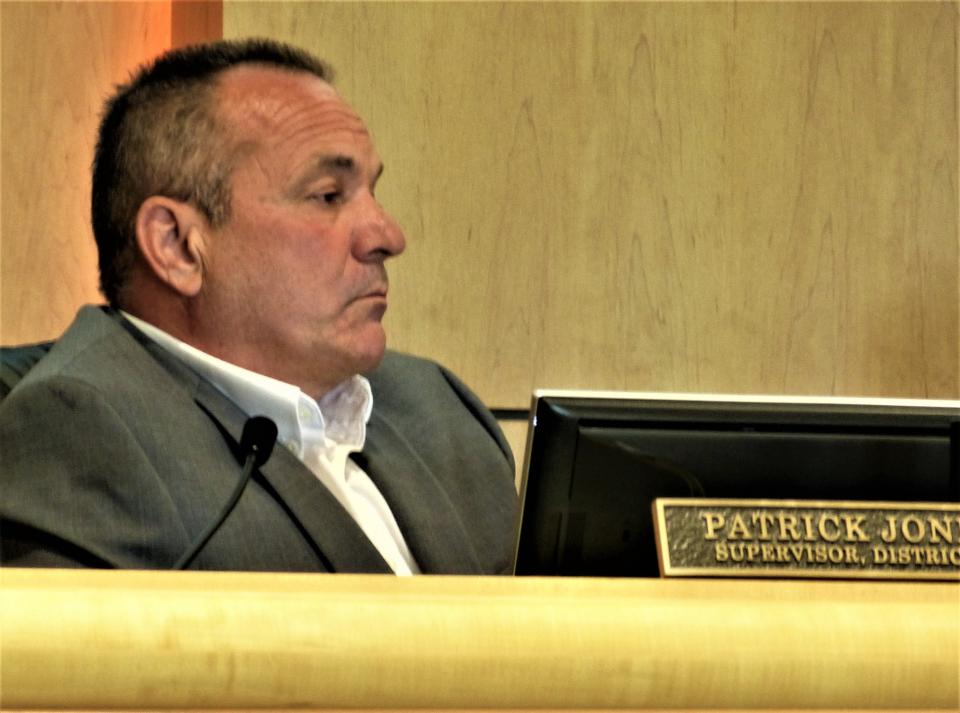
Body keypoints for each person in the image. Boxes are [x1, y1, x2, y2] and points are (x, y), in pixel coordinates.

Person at [0, 38, 518, 574]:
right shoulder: (76, 437)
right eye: (327, 196)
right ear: (177, 246)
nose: (387, 235)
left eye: (371, 192)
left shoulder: (439, 408)